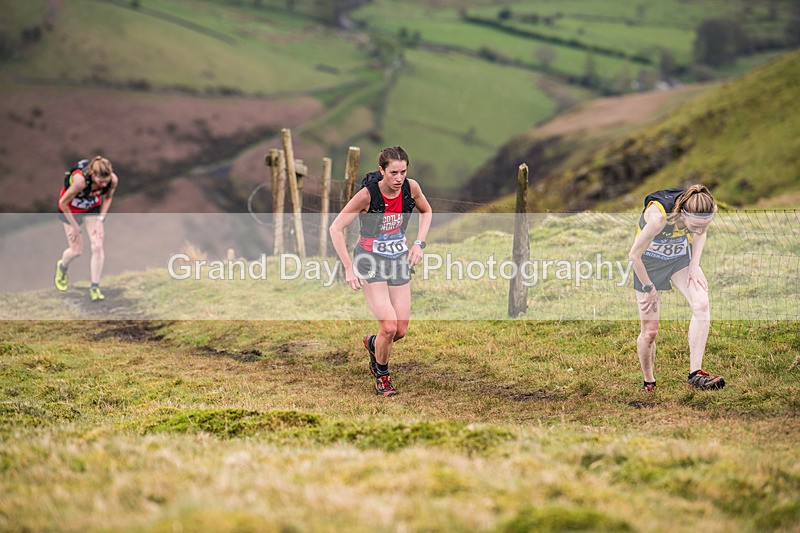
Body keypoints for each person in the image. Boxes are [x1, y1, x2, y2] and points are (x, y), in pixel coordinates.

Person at [329, 146, 432, 396]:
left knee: (400, 330)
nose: (398, 179)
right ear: (381, 171)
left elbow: (426, 211)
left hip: (397, 260)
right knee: (388, 326)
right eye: (393, 173)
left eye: (403, 172)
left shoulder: (411, 187)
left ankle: (374, 344)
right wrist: (348, 268)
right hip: (369, 260)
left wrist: (418, 243)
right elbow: (335, 228)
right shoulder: (366, 196)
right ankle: (382, 376)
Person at [628, 184, 724, 392]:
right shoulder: (658, 219)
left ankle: (695, 375)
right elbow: (634, 256)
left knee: (701, 303)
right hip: (648, 266)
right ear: (682, 213)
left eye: (704, 225)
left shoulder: (708, 209)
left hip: (678, 261)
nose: (699, 229)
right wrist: (649, 287)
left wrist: (694, 265)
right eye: (695, 225)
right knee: (650, 332)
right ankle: (649, 381)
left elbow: (701, 234)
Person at [55, 156, 119, 301]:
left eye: (106, 181)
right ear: (92, 174)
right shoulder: (80, 182)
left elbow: (108, 198)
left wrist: (100, 220)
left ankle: (95, 287)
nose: (104, 185)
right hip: (70, 210)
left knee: (97, 245)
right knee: (76, 251)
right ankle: (63, 267)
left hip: (91, 208)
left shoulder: (112, 180)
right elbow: (63, 203)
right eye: (100, 182)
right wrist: (74, 226)